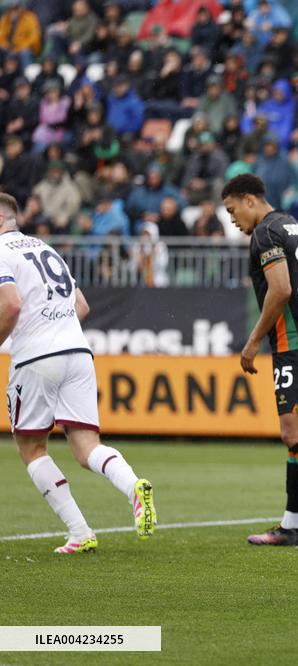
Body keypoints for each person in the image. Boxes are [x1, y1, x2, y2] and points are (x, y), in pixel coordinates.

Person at [0, 193, 156, 554]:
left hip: (37, 356)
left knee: (31, 448)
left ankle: (80, 531)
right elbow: (81, 305)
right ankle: (133, 485)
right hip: (77, 350)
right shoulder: (44, 248)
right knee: (87, 448)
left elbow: (10, 304)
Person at [221, 174, 298, 551]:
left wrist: (253, 340)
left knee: (294, 434)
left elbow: (281, 289)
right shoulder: (293, 226)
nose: (232, 219)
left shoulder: (265, 234)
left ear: (249, 200)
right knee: (294, 434)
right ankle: (290, 526)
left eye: (232, 210)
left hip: (293, 343)